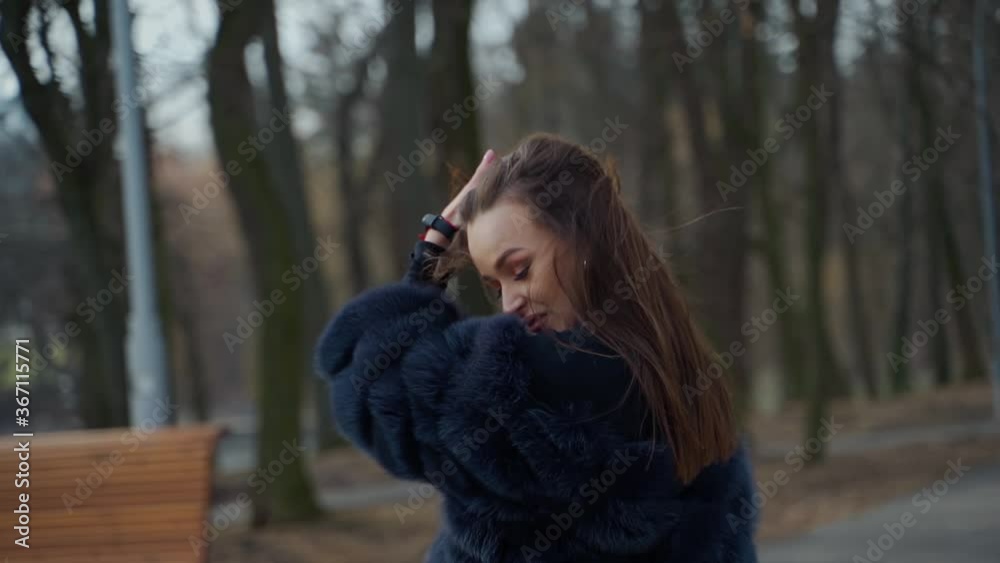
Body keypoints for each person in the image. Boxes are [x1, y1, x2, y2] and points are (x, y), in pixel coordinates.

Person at [314, 134, 759, 562]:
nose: (510, 304)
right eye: (495, 285)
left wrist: (428, 260)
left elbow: (364, 386)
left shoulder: (525, 379)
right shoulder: (679, 373)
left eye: (521, 270)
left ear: (585, 239)